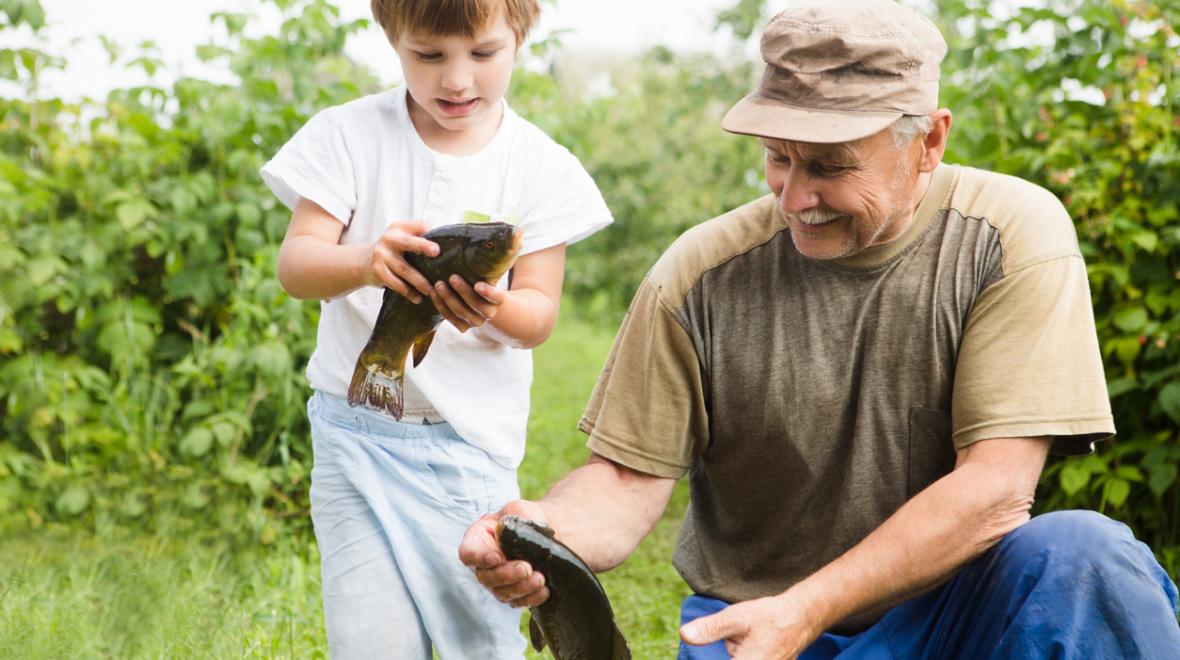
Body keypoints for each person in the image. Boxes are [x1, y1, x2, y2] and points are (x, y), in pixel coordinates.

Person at [458, 1, 1180, 658]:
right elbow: (623, 480)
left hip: (957, 617)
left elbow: (996, 489)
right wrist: (545, 530)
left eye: (831, 166)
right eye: (778, 157)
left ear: (928, 140)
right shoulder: (701, 274)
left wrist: (807, 607)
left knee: (1086, 555)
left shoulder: (1007, 236)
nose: (795, 196)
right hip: (755, 623)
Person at [259, 0, 613, 656]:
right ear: (393, 39)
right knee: (371, 639)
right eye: (429, 55)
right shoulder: (348, 135)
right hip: (352, 435)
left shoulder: (542, 166)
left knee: (475, 636)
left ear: (519, 37)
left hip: (468, 450)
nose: (455, 79)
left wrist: (495, 308)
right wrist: (365, 261)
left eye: (482, 54)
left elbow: (537, 315)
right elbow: (296, 264)